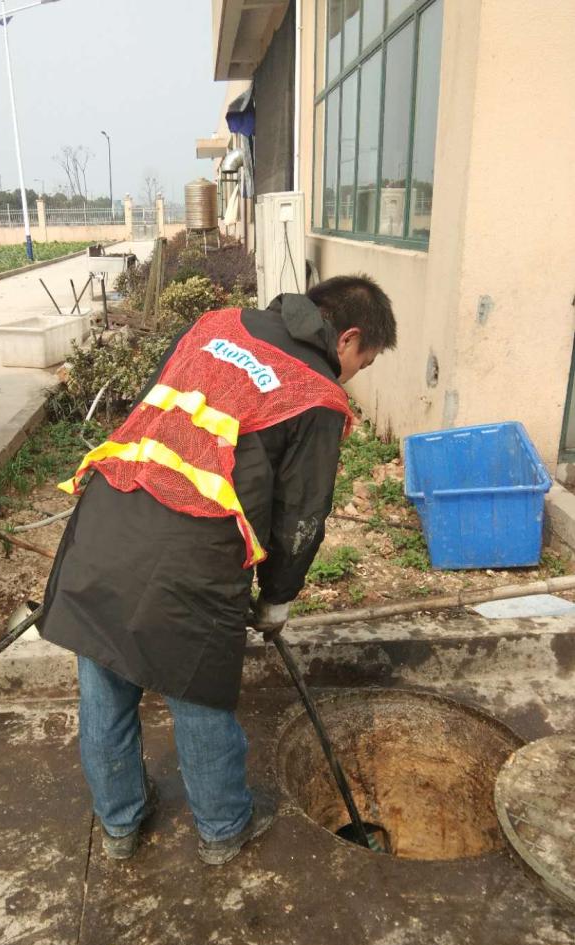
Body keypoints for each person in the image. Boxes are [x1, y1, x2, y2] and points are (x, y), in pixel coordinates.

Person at [40, 275, 397, 865]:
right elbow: (300, 520)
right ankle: (223, 828)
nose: (356, 373)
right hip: (193, 553)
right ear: (348, 337)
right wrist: (277, 599)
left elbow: (162, 408)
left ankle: (120, 825)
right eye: (365, 359)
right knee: (197, 689)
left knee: (104, 676)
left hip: (108, 517)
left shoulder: (217, 325)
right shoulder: (316, 395)